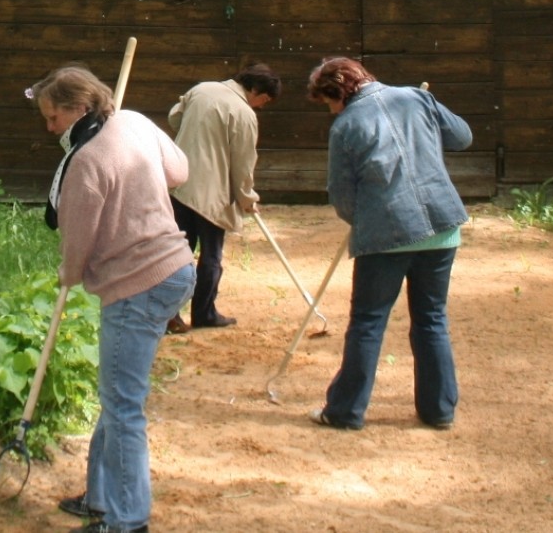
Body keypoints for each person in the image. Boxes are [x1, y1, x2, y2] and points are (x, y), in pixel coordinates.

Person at [32, 65, 195, 533]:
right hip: (178, 270)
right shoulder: (135, 122)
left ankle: (127, 521)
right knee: (118, 395)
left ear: (77, 109)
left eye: (53, 118)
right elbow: (178, 173)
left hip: (137, 286)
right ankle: (101, 498)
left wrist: (69, 275)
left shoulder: (86, 162)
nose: (50, 128)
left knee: (123, 405)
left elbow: (76, 241)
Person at [306, 56, 472, 432]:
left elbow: (341, 194)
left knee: (367, 322)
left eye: (329, 102)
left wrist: (361, 221)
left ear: (339, 93)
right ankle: (439, 411)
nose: (330, 110)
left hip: (385, 234)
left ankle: (345, 411)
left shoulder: (345, 125)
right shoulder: (416, 99)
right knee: (431, 319)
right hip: (442, 226)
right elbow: (462, 137)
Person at [164, 63, 281, 331]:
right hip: (211, 193)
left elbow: (174, 118)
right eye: (264, 100)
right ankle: (204, 314)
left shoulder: (201, 89)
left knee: (176, 252)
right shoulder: (244, 113)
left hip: (178, 183)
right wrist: (246, 197)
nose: (261, 106)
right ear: (256, 89)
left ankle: (170, 315)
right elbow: (243, 163)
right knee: (211, 255)